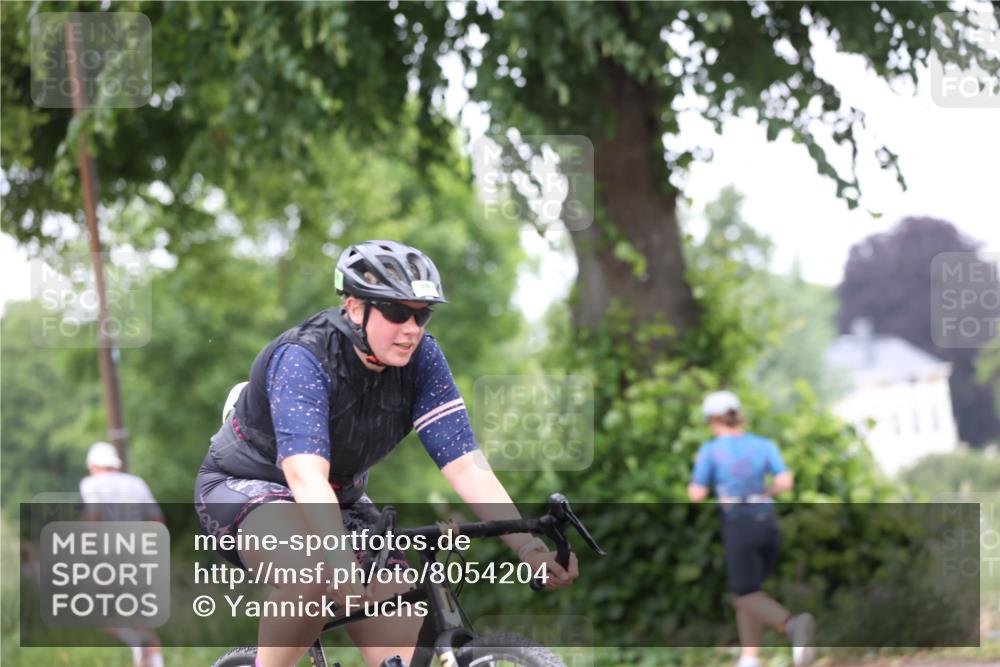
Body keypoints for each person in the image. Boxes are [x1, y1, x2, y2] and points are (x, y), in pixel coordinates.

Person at [195, 240, 579, 667]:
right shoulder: (304, 357)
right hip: (248, 487)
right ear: (356, 308)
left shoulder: (423, 359)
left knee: (401, 650)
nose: (412, 328)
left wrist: (528, 548)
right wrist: (339, 561)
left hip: (340, 497)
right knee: (313, 571)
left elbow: (465, 464)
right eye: (397, 312)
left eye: (422, 314)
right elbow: (305, 476)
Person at [687, 391, 815, 667]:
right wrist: (763, 489)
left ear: (711, 419)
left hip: (739, 526)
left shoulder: (711, 450)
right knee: (747, 594)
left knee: (746, 593)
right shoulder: (763, 445)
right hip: (768, 525)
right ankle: (749, 659)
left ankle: (791, 625)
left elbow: (696, 494)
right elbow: (785, 481)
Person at [81, 441, 166, 667]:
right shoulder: (137, 483)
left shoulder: (91, 484)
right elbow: (157, 520)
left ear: (95, 465)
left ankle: (136, 642)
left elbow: (94, 517)